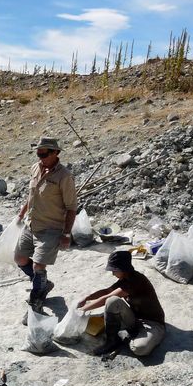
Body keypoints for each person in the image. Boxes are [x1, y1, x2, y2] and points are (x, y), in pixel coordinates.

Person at [15, 136, 77, 324]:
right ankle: (43, 285)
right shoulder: (36, 168)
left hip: (50, 228)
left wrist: (66, 234)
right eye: (38, 153)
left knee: (39, 266)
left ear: (56, 153)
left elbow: (71, 207)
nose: (40, 157)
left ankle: (35, 306)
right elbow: (32, 194)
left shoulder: (64, 176)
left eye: (44, 153)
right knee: (20, 258)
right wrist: (22, 212)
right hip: (31, 224)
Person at [78, 251, 166, 357]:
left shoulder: (136, 280)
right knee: (112, 302)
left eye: (114, 270)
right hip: (135, 319)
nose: (112, 273)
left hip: (152, 323)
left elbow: (105, 298)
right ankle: (112, 341)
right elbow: (106, 291)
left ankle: (134, 337)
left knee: (139, 349)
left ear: (122, 269)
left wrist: (81, 310)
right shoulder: (125, 279)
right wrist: (86, 298)